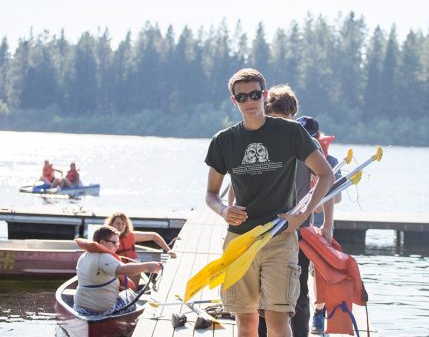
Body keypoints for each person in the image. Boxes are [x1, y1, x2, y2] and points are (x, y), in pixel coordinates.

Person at [205, 68, 334, 337]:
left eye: (254, 94)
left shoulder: (290, 133)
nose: (249, 101)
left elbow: (326, 175)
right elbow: (211, 194)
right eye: (242, 97)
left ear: (264, 95)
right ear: (234, 101)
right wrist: (223, 210)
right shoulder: (223, 141)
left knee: (277, 321)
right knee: (246, 322)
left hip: (279, 239)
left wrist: (302, 215)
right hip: (241, 242)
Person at [296, 115, 342, 334]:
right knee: (298, 273)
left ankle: (319, 313)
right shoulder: (290, 152)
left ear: (316, 137)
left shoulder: (329, 160)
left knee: (320, 272)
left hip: (318, 225)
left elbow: (337, 196)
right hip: (296, 223)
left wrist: (318, 199)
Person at [73, 225, 162, 316]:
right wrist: (148, 266)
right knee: (130, 295)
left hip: (80, 307)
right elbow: (123, 269)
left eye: (118, 243)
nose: (117, 246)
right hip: (103, 310)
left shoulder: (83, 256)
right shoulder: (104, 257)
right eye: (114, 242)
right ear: (102, 242)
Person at [105, 211, 177, 260]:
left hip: (131, 270)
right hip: (116, 271)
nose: (120, 226)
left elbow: (154, 236)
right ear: (111, 224)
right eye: (117, 223)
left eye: (123, 224)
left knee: (137, 268)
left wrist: (168, 250)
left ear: (126, 226)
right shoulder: (105, 239)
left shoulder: (131, 236)